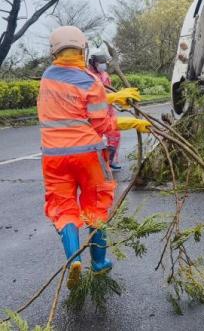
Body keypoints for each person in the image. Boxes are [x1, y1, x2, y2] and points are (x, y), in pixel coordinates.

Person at [39, 26, 152, 289]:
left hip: (54, 159)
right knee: (96, 207)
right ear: (83, 49)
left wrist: (111, 96)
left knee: (63, 207)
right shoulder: (90, 82)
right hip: (89, 156)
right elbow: (102, 125)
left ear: (54, 52)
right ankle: (99, 263)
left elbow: (71, 100)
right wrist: (133, 121)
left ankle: (73, 259)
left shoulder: (47, 79)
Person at [87, 53, 122, 170]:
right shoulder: (87, 76)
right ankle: (94, 163)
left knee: (115, 135)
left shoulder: (105, 75)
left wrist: (115, 99)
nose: (102, 66)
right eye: (99, 64)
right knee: (95, 138)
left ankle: (111, 160)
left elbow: (108, 91)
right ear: (93, 64)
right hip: (95, 114)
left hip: (109, 110)